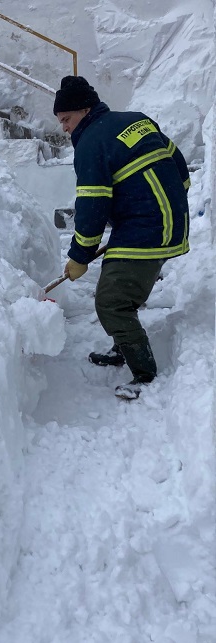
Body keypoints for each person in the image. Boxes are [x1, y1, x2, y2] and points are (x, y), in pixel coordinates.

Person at [53, 76, 190, 400]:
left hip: (147, 228)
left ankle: (145, 375)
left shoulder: (90, 144)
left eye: (66, 119)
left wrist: (79, 256)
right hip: (160, 221)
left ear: (84, 109)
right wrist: (173, 202)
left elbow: (92, 205)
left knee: (111, 301)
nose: (64, 129)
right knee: (120, 288)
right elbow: (178, 163)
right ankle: (124, 346)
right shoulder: (135, 121)